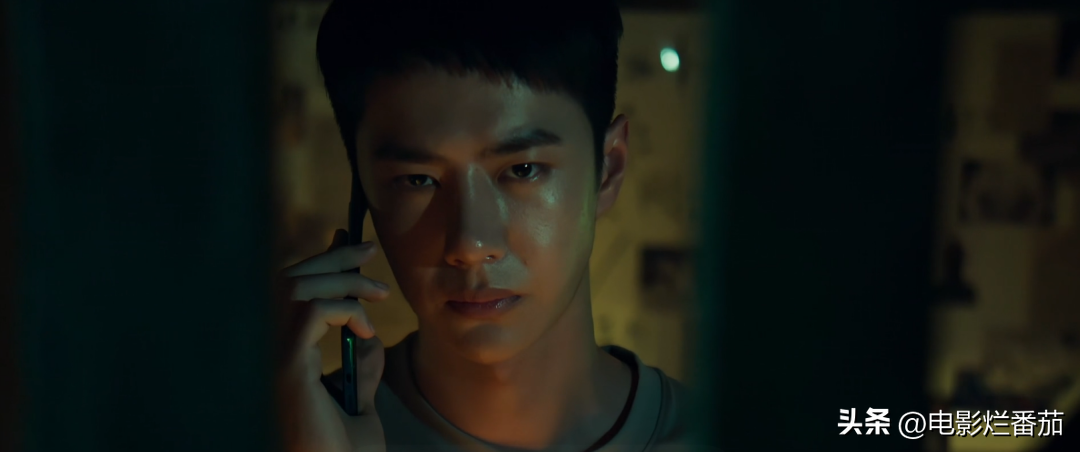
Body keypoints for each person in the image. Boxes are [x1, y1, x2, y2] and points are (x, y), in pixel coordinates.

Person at [278, 1, 689, 450]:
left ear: (607, 169)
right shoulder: (299, 434)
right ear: (364, 192)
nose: (470, 244)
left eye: (522, 170)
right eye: (418, 180)